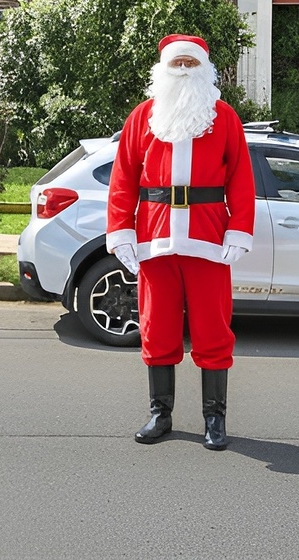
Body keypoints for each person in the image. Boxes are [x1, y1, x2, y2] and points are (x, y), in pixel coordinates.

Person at [104, 33, 255, 451]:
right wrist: (121, 231)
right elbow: (123, 179)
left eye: (191, 63)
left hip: (208, 239)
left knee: (213, 330)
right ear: (164, 69)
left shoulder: (224, 117)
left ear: (205, 69)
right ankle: (161, 413)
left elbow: (242, 178)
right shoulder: (143, 117)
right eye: (178, 63)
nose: (184, 70)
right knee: (157, 328)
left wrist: (239, 229)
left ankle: (214, 418)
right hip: (155, 239)